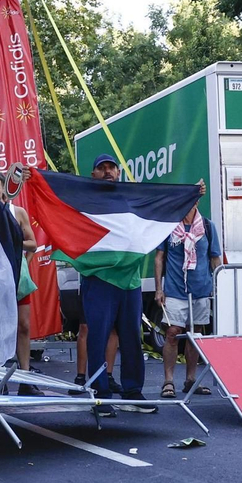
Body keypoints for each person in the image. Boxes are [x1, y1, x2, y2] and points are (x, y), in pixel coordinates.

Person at [74, 154, 157, 413]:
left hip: (129, 281)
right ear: (94, 174)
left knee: (132, 338)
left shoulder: (130, 198)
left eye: (112, 167)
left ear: (119, 173)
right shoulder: (84, 201)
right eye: (102, 168)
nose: (108, 171)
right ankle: (100, 395)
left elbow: (160, 208)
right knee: (98, 338)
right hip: (99, 278)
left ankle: (133, 393)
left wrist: (190, 194)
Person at [154, 199, 222, 398]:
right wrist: (159, 288)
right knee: (173, 332)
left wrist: (220, 284)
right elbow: (159, 257)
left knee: (195, 334)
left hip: (201, 288)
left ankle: (191, 379)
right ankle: (168, 381)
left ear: (198, 201)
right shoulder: (169, 226)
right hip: (175, 288)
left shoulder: (207, 226)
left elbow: (214, 257)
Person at [0, 169, 37, 371]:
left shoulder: (18, 212)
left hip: (16, 278)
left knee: (23, 325)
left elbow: (32, 243)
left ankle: (25, 374)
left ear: (3, 189)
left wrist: (21, 260)